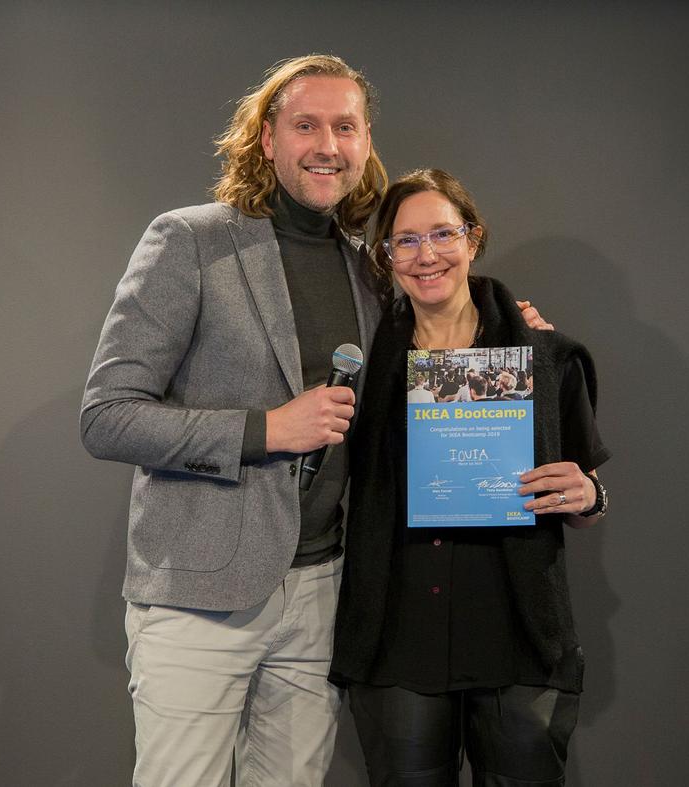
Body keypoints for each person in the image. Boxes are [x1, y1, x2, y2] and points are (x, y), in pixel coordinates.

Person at [81, 57, 549, 785]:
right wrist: (266, 429)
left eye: (345, 126)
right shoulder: (190, 240)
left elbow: (429, 354)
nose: (327, 143)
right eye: (306, 124)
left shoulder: (369, 268)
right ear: (266, 138)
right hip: (200, 594)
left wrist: (504, 331)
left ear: (365, 144)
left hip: (324, 594)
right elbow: (107, 416)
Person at [330, 168, 611, 786]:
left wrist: (590, 494)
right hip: (396, 639)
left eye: (442, 234)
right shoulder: (361, 363)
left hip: (517, 638)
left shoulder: (546, 358)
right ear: (386, 257)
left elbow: (586, 498)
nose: (425, 255)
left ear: (473, 238)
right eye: (404, 241)